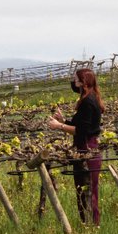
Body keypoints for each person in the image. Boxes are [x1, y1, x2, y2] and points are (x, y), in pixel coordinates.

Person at [47, 67, 104, 225]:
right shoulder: (88, 99)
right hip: (84, 149)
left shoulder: (88, 102)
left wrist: (59, 126)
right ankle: (87, 224)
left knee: (88, 192)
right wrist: (63, 121)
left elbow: (81, 131)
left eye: (75, 79)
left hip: (87, 150)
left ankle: (92, 226)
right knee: (82, 191)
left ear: (83, 82)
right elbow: (79, 126)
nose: (73, 82)